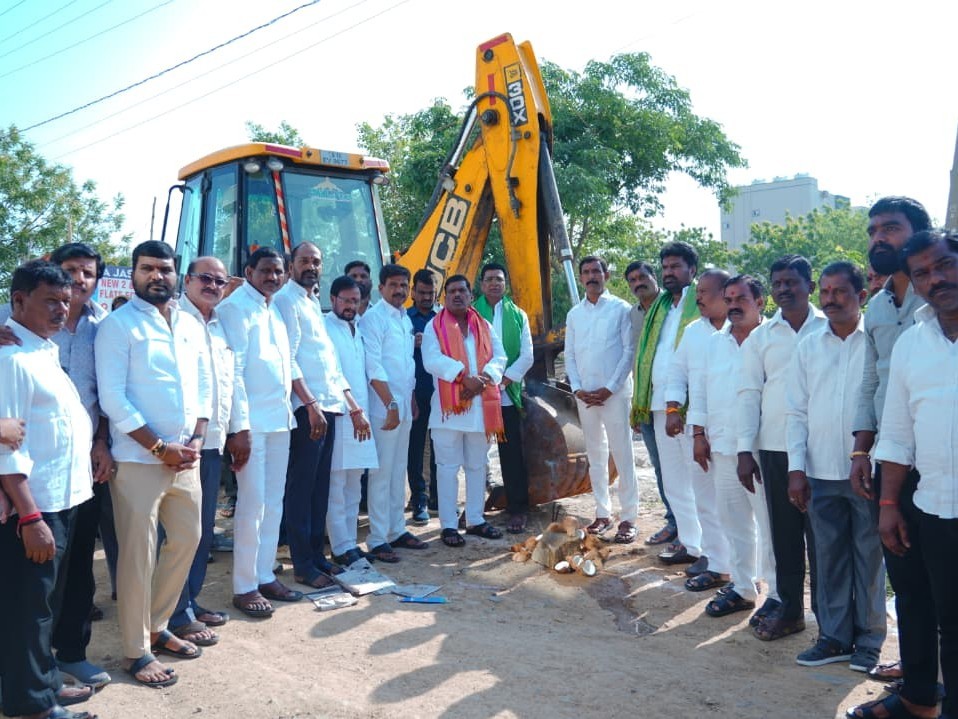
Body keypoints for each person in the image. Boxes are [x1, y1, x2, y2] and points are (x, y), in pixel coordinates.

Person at [0, 242, 116, 692]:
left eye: (65, 300)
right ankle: (31, 692)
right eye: (51, 299)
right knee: (31, 602)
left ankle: (54, 669)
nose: (61, 308)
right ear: (18, 301)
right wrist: (29, 514)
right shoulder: (12, 354)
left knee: (66, 590)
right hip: (39, 501)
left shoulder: (60, 342)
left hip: (76, 490)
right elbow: (8, 451)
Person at [94, 240, 211, 688]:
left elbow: (202, 386)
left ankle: (158, 624)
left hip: (187, 457)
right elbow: (113, 398)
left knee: (188, 538)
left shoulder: (187, 323)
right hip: (139, 460)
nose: (157, 276)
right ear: (134, 274)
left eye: (164, 269)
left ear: (175, 273)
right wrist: (160, 448)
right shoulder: (118, 326)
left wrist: (196, 439)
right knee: (138, 555)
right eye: (148, 269)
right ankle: (136, 650)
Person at [855, 229, 956, 719]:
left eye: (945, 265)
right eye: (923, 273)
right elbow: (896, 433)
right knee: (949, 624)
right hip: (937, 509)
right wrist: (891, 505)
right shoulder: (915, 343)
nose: (937, 279)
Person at [846, 197, 935, 719]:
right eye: (873, 229)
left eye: (892, 229)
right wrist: (862, 449)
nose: (879, 238)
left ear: (919, 235)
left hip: (942, 462)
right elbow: (871, 382)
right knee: (907, 576)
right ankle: (920, 693)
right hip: (892, 461)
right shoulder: (878, 307)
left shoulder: (942, 300)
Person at [786, 262, 885, 671]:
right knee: (828, 557)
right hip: (820, 470)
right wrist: (796, 468)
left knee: (868, 555)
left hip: (868, 472)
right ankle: (834, 637)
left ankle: (869, 640)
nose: (830, 299)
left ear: (861, 296)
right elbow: (795, 411)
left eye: (841, 291)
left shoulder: (877, 341)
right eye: (825, 291)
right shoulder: (808, 346)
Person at [737, 254, 826, 641]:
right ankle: (790, 610)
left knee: (824, 539)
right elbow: (747, 394)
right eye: (778, 283)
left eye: (792, 282)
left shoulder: (830, 328)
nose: (784, 289)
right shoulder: (762, 337)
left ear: (810, 285)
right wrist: (744, 450)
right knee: (785, 536)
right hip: (773, 447)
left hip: (824, 449)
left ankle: (832, 621)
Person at [274, 242, 370, 588]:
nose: (311, 266)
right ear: (291, 265)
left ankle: (317, 556)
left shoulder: (312, 301)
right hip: (307, 410)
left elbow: (329, 364)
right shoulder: (286, 300)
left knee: (319, 488)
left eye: (316, 261)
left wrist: (353, 406)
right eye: (304, 261)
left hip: (330, 408)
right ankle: (302, 563)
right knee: (301, 488)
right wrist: (311, 405)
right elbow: (291, 358)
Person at [217, 247, 302, 618]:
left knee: (274, 502)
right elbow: (232, 373)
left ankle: (265, 574)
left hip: (279, 422)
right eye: (265, 270)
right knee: (252, 505)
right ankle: (244, 586)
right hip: (251, 426)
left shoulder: (273, 310)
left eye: (278, 271)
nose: (272, 277)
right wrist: (240, 427)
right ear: (249, 271)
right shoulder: (235, 309)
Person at [689, 275, 777, 621]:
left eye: (742, 298)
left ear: (761, 302)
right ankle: (743, 587)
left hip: (764, 449)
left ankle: (777, 594)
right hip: (723, 446)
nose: (734, 305)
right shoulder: (714, 343)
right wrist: (699, 433)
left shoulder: (773, 339)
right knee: (733, 521)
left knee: (769, 525)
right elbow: (699, 389)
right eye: (729, 299)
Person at [167, 257, 235, 646]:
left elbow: (225, 382)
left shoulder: (220, 324)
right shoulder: (175, 320)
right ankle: (174, 612)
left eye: (219, 281)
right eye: (204, 279)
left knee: (202, 531)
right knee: (179, 534)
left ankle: (188, 602)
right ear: (187, 281)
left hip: (212, 442)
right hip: (183, 443)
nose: (212, 285)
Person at [422, 275, 507, 547]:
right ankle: (448, 525)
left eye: (462, 291)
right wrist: (462, 375)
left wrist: (483, 378)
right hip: (449, 411)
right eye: (452, 292)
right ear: (444, 298)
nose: (457, 295)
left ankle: (475, 519)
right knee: (447, 468)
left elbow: (500, 356)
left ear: (471, 296)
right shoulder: (434, 326)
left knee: (477, 465)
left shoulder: (483, 325)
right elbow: (431, 360)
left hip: (480, 406)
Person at [632, 242, 701, 562]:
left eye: (676, 266)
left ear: (692, 270)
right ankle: (689, 543)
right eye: (666, 267)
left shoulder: (701, 302)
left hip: (693, 406)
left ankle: (712, 551)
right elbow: (647, 355)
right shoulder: (660, 307)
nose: (669, 272)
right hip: (659, 404)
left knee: (699, 479)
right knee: (673, 480)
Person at [663, 268, 731, 592]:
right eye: (698, 292)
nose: (699, 298)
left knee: (737, 504)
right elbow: (677, 373)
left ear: (725, 293)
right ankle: (718, 566)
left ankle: (746, 572)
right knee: (705, 498)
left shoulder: (743, 329)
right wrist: (673, 408)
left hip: (734, 432)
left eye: (704, 292)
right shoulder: (693, 332)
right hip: (698, 428)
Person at [565, 256, 639, 544]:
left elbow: (628, 352)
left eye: (597, 271)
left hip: (615, 393)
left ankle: (629, 518)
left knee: (623, 454)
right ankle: (602, 513)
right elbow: (569, 355)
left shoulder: (621, 309)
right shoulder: (574, 315)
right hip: (585, 396)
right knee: (595, 454)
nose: (592, 276)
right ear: (581, 278)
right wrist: (578, 389)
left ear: (606, 275)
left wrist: (609, 388)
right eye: (586, 272)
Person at [359, 264, 424, 562]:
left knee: (399, 471)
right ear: (381, 288)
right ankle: (376, 537)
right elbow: (374, 367)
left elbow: (406, 364)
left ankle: (397, 530)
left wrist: (409, 398)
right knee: (382, 473)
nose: (400, 290)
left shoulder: (403, 319)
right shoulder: (373, 319)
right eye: (394, 285)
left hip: (402, 406)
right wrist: (391, 404)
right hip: (384, 408)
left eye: (404, 285)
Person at [474, 263, 533, 535]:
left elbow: (527, 355)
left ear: (505, 283)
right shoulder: (471, 313)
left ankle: (518, 508)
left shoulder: (518, 315)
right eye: (489, 279)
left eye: (499, 278)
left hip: (506, 395)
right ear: (482, 284)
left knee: (511, 455)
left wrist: (503, 381)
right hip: (476, 395)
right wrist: (484, 383)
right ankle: (474, 509)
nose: (494, 283)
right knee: (474, 452)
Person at [324, 276, 378, 568]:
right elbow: (332, 374)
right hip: (342, 414)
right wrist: (353, 410)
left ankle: (350, 544)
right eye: (345, 300)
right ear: (333, 299)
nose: (350, 306)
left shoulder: (356, 329)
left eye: (355, 301)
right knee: (337, 483)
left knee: (354, 483)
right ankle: (340, 546)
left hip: (362, 414)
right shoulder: (326, 328)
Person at [624, 261, 673, 546]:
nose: (638, 283)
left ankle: (689, 527)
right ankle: (673, 520)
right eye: (632, 279)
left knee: (680, 467)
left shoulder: (670, 308)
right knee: (659, 465)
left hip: (671, 402)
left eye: (643, 277)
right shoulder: (633, 314)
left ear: (655, 278)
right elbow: (634, 358)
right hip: (645, 401)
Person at [406, 269, 438, 523]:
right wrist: (411, 343)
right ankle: (419, 499)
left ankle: (438, 496)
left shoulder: (444, 319)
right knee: (415, 448)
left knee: (441, 447)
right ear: (413, 292)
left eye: (431, 293)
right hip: (415, 394)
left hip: (442, 394)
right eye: (422, 292)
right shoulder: (405, 320)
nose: (426, 297)